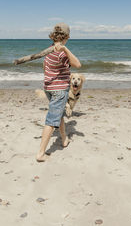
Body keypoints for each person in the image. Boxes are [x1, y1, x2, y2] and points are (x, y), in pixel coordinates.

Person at [36, 23, 81, 162]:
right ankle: (41, 153)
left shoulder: (49, 50)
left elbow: (45, 67)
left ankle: (64, 139)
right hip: (59, 90)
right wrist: (65, 49)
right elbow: (78, 64)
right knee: (51, 121)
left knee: (59, 114)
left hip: (48, 88)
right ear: (66, 36)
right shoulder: (62, 52)